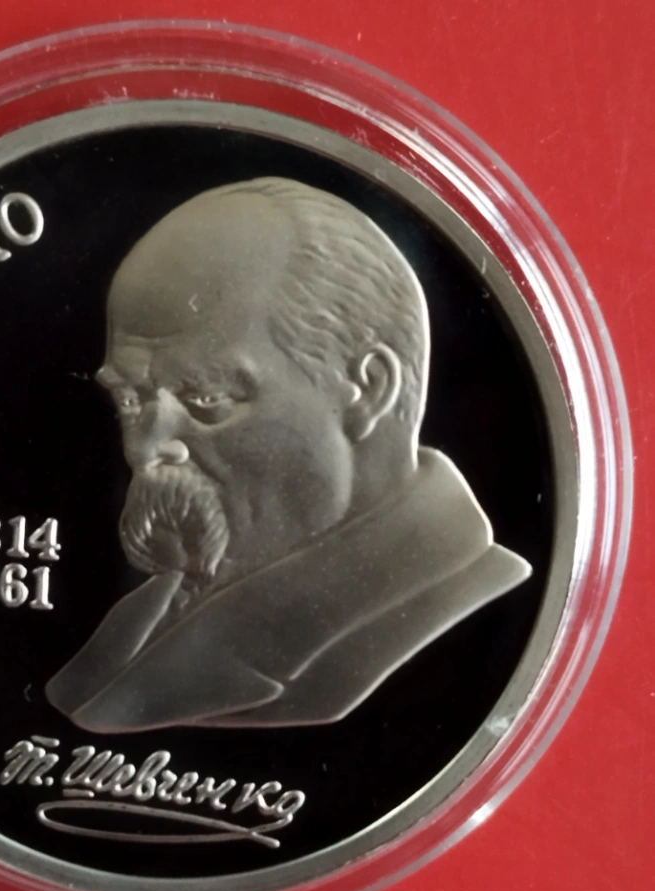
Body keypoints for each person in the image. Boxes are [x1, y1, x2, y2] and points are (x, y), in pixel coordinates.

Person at [46, 177, 531, 733]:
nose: (144, 449)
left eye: (207, 399)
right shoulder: (141, 616)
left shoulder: (467, 613)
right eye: (131, 399)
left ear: (367, 390)